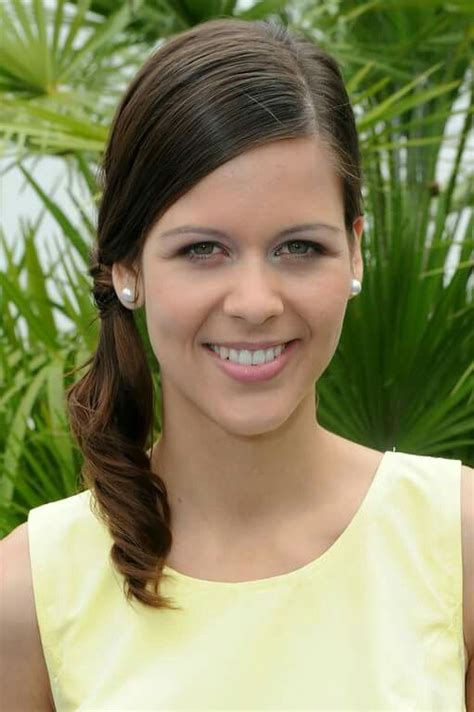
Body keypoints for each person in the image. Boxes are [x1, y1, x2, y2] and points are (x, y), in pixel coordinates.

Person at [1, 17, 473, 712]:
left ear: (356, 252)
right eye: (202, 250)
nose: (255, 302)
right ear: (126, 267)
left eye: (299, 248)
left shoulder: (455, 540)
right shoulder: (28, 593)